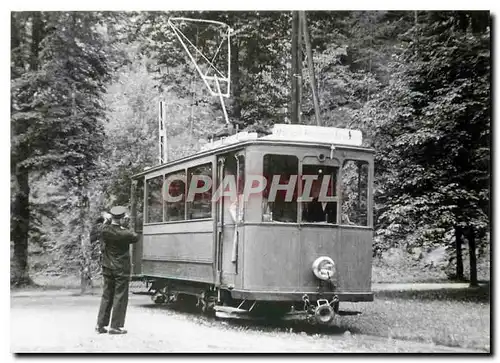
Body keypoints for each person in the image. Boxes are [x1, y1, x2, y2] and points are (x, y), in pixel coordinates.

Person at [96, 206, 138, 335]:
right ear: (122, 219)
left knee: (107, 295)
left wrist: (108, 221)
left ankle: (100, 325)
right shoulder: (125, 233)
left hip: (107, 267)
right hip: (120, 268)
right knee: (120, 296)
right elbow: (135, 236)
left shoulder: (104, 230)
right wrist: (124, 225)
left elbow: (102, 225)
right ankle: (115, 326)